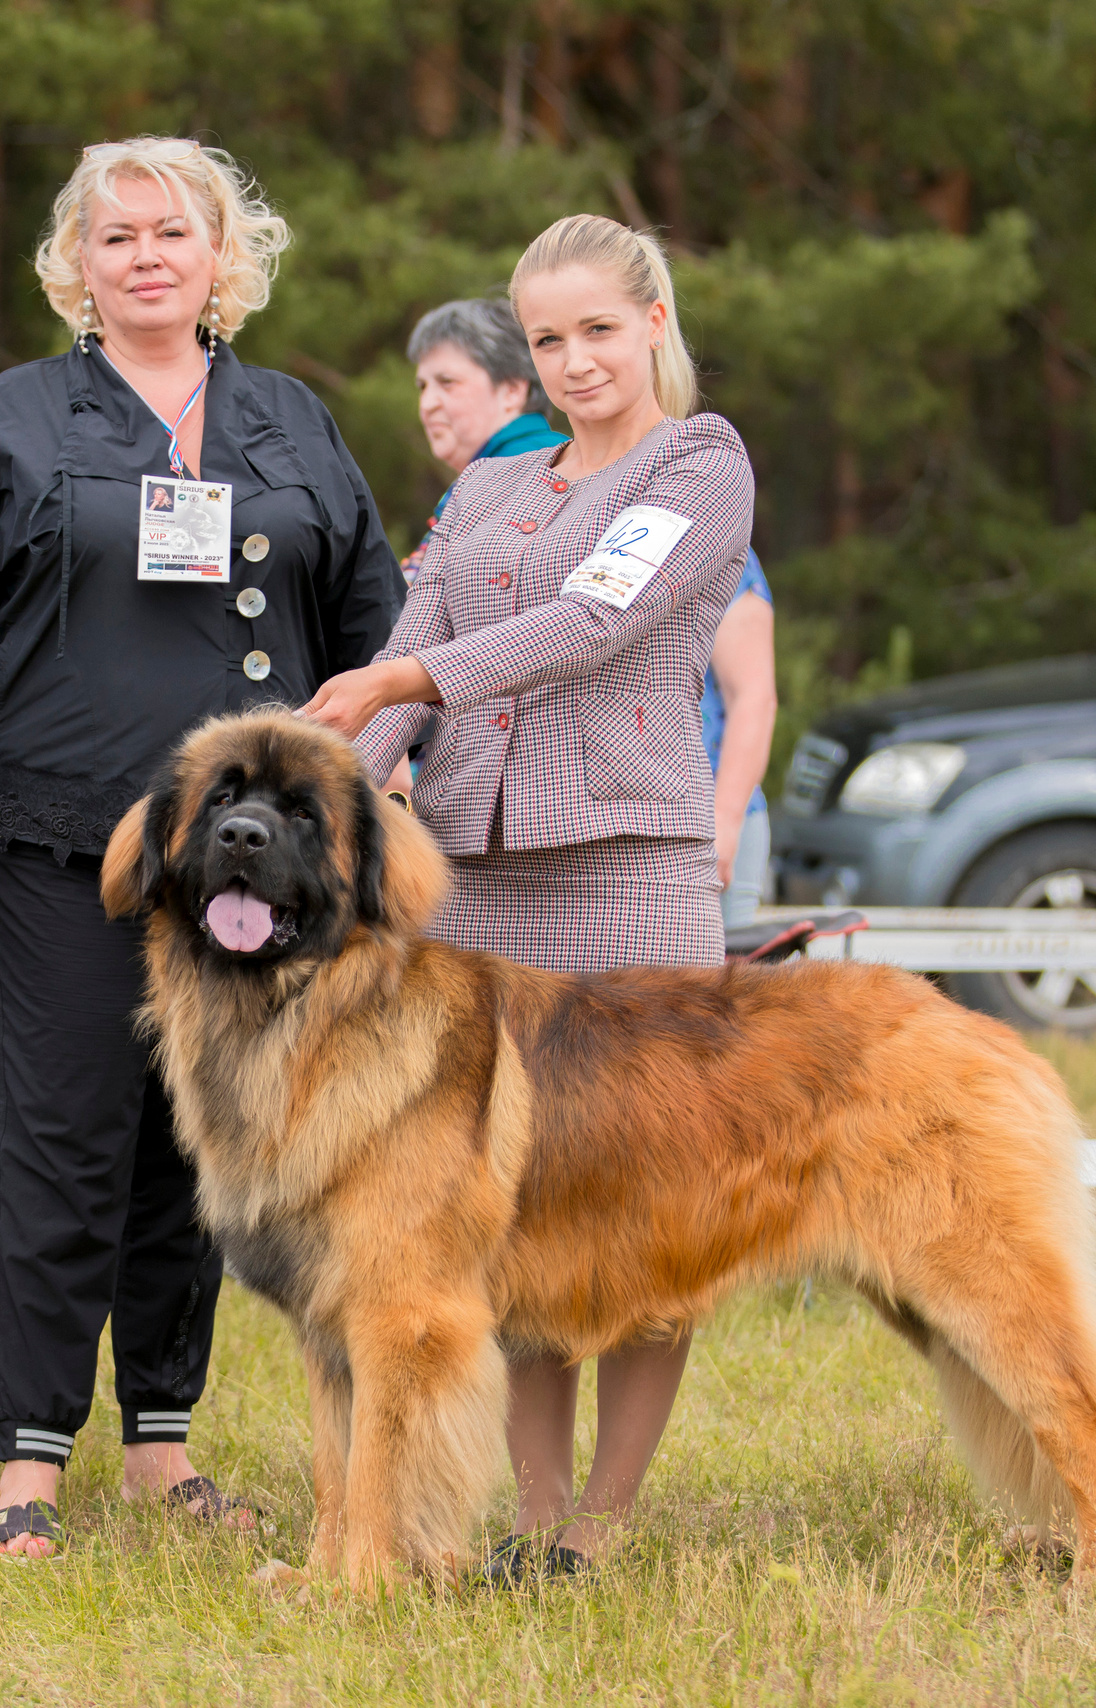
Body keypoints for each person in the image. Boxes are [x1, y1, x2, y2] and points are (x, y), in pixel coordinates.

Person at [0, 137, 404, 1559]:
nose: (147, 256)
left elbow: (382, 638)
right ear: (75, 268)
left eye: (174, 233)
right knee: (60, 1142)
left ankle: (164, 1447)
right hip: (55, 843)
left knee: (190, 1150)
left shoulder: (293, 421)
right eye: (117, 237)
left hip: (253, 871)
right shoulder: (19, 418)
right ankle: (29, 1468)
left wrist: (375, 807)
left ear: (224, 259)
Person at [301, 213, 755, 1579]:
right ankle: (536, 1519)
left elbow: (596, 624)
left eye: (598, 331)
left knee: (653, 1211)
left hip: (634, 876)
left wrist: (404, 689)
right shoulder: (495, 488)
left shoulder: (702, 460)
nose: (573, 361)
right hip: (480, 897)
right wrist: (336, 808)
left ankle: (605, 1530)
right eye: (548, 340)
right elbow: (408, 644)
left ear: (655, 324)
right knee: (503, 1219)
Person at [401, 298, 569, 579]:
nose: (427, 403)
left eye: (447, 382)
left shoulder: (521, 470)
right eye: (422, 386)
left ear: (512, 389)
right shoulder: (502, 469)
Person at [704, 552, 777, 926]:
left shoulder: (722, 550)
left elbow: (753, 699)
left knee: (713, 986)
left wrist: (724, 823)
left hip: (707, 824)